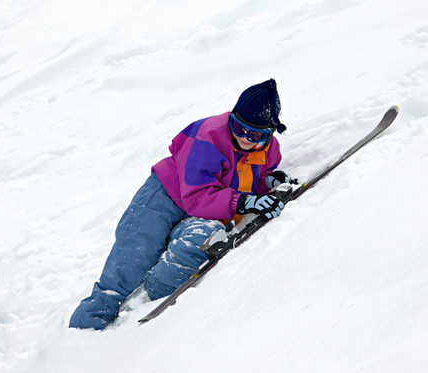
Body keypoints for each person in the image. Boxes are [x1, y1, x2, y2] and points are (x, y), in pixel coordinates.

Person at [69, 79, 294, 330]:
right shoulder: (208, 137)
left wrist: (269, 182)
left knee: (198, 240)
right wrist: (246, 201)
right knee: (129, 263)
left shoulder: (267, 150)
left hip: (206, 209)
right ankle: (85, 329)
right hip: (163, 198)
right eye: (240, 129)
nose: (245, 139)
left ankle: (152, 295)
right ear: (232, 119)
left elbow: (252, 179)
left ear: (270, 133)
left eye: (255, 135)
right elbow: (197, 196)